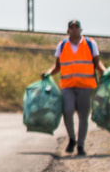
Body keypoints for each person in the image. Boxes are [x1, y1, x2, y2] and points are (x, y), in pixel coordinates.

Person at [43, 19, 105, 156]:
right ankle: (72, 138)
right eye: (72, 27)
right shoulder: (62, 45)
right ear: (68, 30)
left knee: (83, 116)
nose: (74, 29)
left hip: (85, 85)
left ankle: (81, 145)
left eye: (77, 27)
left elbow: (97, 63)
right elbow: (57, 66)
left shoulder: (90, 44)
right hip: (68, 86)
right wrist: (48, 73)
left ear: (80, 30)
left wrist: (105, 73)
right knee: (67, 111)